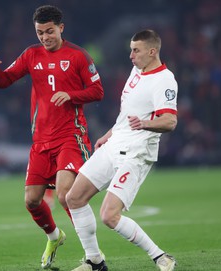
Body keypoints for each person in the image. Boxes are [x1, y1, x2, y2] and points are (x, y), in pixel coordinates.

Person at [0, 5, 104, 269]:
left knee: (64, 194)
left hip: (70, 136)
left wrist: (71, 95)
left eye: (49, 31)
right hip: (41, 141)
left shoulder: (78, 56)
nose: (45, 37)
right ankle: (54, 236)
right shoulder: (31, 55)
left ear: (61, 28)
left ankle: (93, 257)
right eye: (40, 32)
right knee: (31, 200)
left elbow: (97, 90)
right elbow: (3, 82)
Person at [66, 29, 178, 271]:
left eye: (136, 50)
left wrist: (145, 123)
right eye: (131, 49)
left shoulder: (164, 80)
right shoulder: (137, 70)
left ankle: (161, 257)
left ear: (152, 51)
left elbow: (169, 121)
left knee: (109, 216)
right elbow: (127, 112)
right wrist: (109, 134)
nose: (131, 55)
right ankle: (94, 261)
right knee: (73, 198)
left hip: (136, 152)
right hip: (115, 143)